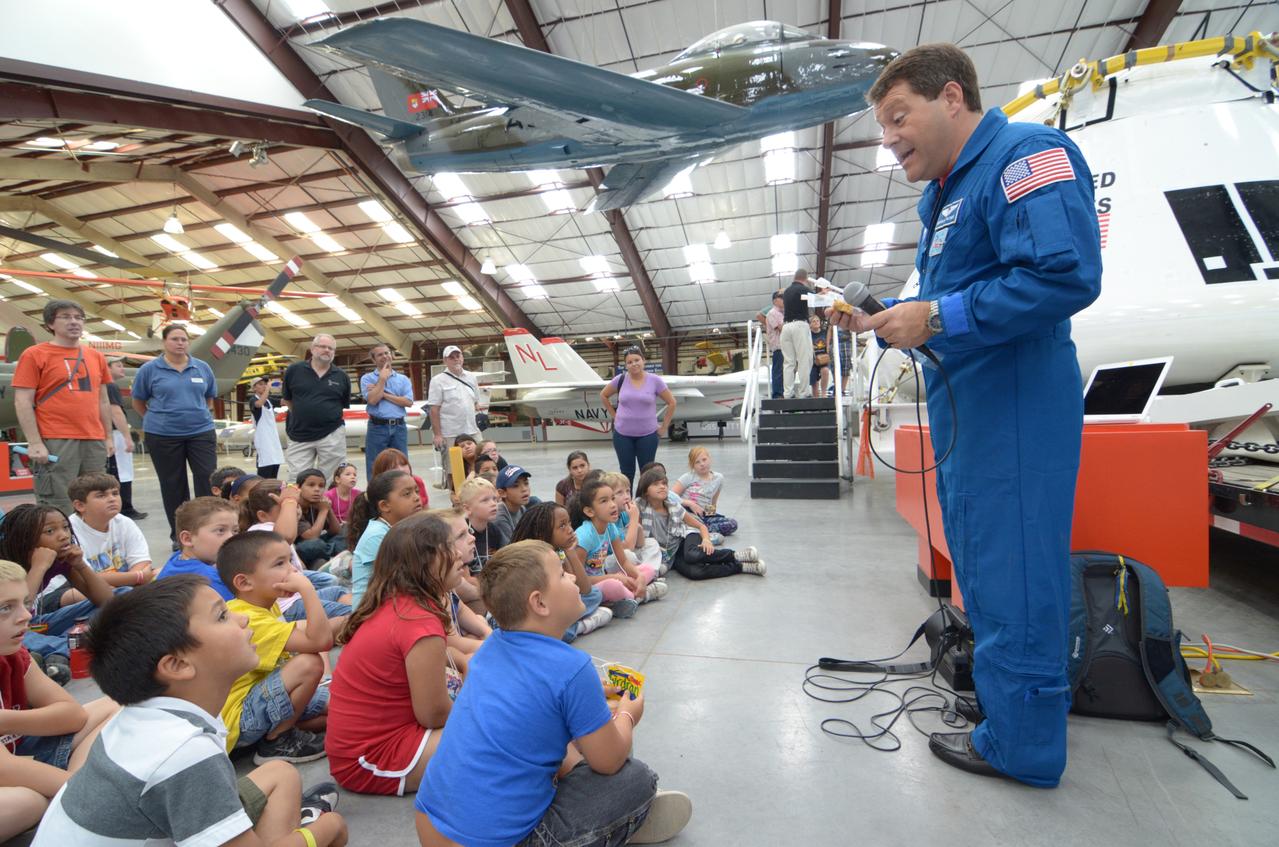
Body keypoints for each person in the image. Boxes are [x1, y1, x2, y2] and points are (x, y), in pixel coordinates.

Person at [829, 44, 1102, 787]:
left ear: (950, 97)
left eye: (896, 117)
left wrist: (938, 318)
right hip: (968, 409)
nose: (886, 138)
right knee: (982, 568)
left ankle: (1023, 745)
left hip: (1012, 404)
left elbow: (1063, 274)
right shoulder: (947, 193)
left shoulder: (1026, 154)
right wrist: (889, 320)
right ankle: (1006, 713)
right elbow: (950, 303)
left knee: (1013, 574)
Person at [31, 575, 348, 846]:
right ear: (178, 665)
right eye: (222, 616)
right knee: (326, 828)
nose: (243, 618)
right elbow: (189, 770)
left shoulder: (146, 714)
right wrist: (326, 830)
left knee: (281, 774)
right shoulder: (185, 752)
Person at [414, 540, 692, 847]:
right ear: (540, 603)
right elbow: (610, 760)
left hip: (431, 824)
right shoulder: (572, 667)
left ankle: (619, 818)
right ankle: (624, 821)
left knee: (560, 739)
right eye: (562, 574)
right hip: (503, 841)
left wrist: (591, 695)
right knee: (636, 778)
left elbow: (531, 699)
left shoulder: (491, 648)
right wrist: (627, 714)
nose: (573, 577)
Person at [325, 513, 466, 796]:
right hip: (370, 757)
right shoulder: (418, 621)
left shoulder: (400, 603)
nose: (459, 553)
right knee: (504, 732)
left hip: (366, 746)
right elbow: (433, 714)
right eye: (450, 546)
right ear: (426, 562)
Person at [0, 559, 119, 842]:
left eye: (25, 603)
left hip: (15, 754)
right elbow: (4, 769)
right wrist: (87, 793)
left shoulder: (13, 655)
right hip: (9, 772)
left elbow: (72, 714)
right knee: (27, 802)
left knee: (117, 705)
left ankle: (72, 791)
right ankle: (78, 792)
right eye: (5, 608)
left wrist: (5, 720)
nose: (25, 616)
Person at [217, 530, 332, 764]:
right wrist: (307, 589)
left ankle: (282, 730)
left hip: (262, 698)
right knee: (309, 664)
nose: (293, 570)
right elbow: (320, 641)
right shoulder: (248, 618)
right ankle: (276, 741)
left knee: (340, 706)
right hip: (241, 718)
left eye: (290, 560)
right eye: (280, 564)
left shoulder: (266, 605)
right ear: (244, 582)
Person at [12, 300, 114, 516]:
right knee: (59, 504)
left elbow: (103, 400)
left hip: (93, 439)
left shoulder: (95, 356)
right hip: (56, 438)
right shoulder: (34, 354)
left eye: (78, 317)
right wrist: (35, 442)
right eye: (66, 317)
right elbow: (22, 401)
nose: (74, 322)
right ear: (50, 323)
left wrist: (108, 437)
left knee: (97, 501)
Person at [130, 323, 218, 543]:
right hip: (163, 435)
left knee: (207, 480)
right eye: (175, 339)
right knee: (173, 485)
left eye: (184, 339)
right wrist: (158, 420)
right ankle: (181, 537)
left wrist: (198, 414)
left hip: (201, 432)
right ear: (164, 342)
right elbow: (138, 402)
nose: (180, 343)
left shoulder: (202, 367)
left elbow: (209, 398)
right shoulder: (149, 370)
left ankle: (210, 532)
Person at [0, 504, 114, 661]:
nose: (63, 536)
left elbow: (107, 601)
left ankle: (58, 650)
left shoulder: (61, 559)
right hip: (8, 628)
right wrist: (38, 567)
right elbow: (19, 608)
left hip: (34, 623)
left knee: (123, 595)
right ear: (25, 538)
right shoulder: (6, 565)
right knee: (26, 640)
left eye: (65, 527)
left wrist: (80, 565)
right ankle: (62, 651)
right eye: (50, 531)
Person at [635, 468, 764, 580]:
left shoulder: (674, 507)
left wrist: (707, 540)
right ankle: (740, 566)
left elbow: (700, 526)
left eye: (664, 483)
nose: (662, 486)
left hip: (687, 535)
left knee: (692, 555)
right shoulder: (640, 506)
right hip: (671, 552)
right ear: (645, 490)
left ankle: (735, 555)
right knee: (694, 572)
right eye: (656, 484)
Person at [510, 503, 612, 642]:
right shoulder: (532, 560)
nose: (570, 530)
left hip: (552, 610)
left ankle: (566, 624)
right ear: (542, 534)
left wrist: (570, 552)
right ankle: (580, 626)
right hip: (533, 612)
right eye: (562, 526)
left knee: (594, 594)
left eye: (569, 523)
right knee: (564, 631)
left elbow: (584, 589)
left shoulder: (559, 551)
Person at [573, 479, 665, 614]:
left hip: (605, 577)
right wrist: (614, 578)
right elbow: (579, 580)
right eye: (604, 501)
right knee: (613, 585)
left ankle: (628, 597)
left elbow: (623, 561)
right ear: (589, 511)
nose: (612, 505)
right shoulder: (584, 537)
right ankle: (643, 595)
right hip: (589, 587)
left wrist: (638, 576)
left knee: (647, 569)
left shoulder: (610, 527)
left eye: (612, 498)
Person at [63, 472, 153, 604]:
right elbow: (86, 579)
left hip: (124, 583)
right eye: (101, 495)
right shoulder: (69, 531)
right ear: (80, 505)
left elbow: (142, 562)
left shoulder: (124, 522)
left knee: (165, 573)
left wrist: (135, 579)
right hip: (78, 588)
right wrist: (138, 577)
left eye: (115, 493)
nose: (112, 499)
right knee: (91, 594)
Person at [600, 347, 677, 486]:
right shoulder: (620, 379)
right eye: (629, 362)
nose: (634, 364)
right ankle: (627, 505)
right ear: (625, 365)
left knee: (647, 474)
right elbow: (603, 395)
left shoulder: (655, 380)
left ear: (643, 361)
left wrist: (664, 427)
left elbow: (671, 402)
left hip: (647, 435)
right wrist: (614, 415)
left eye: (637, 360)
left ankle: (644, 504)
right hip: (623, 434)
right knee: (626, 473)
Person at [347, 470, 423, 608]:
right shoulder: (377, 536)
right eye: (407, 494)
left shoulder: (404, 528)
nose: (417, 497)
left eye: (416, 491)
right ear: (384, 505)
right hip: (370, 614)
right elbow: (411, 583)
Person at [282, 335, 351, 480]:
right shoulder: (294, 370)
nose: (327, 350)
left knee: (333, 477)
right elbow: (287, 400)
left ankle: (328, 503)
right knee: (297, 477)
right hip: (299, 434)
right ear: (313, 349)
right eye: (323, 347)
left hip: (332, 434)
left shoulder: (341, 376)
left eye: (331, 348)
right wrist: (304, 415)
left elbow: (342, 404)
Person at [156, 496, 240, 598]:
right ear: (187, 539)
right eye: (220, 530)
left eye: (235, 531)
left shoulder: (177, 559)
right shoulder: (209, 580)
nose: (231, 537)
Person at [361, 343, 415, 481]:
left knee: (401, 464)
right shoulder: (367, 378)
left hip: (399, 427)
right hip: (377, 427)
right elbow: (373, 400)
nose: (385, 356)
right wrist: (382, 379)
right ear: (373, 360)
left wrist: (383, 393)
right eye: (380, 355)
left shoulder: (403, 379)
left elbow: (408, 402)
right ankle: (375, 497)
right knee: (375, 464)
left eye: (387, 353)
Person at [104, 357, 146, 520]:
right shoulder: (110, 385)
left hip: (106, 433)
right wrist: (127, 437)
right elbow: (116, 412)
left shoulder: (102, 386)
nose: (123, 368)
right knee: (123, 472)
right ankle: (125, 508)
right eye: (118, 365)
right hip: (115, 433)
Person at [427, 345, 482, 458]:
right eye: (451, 357)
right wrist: (438, 435)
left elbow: (476, 402)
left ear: (462, 357)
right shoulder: (437, 381)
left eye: (458, 356)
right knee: (452, 470)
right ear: (445, 361)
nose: (456, 359)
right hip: (450, 433)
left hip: (472, 430)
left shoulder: (472, 377)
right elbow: (434, 410)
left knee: (479, 461)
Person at [672, 447, 738, 538]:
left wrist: (711, 516)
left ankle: (700, 531)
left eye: (704, 460)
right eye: (697, 462)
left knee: (732, 523)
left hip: (704, 515)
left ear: (709, 459)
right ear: (692, 465)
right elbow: (670, 496)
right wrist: (690, 504)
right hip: (688, 514)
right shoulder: (688, 477)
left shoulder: (718, 478)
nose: (702, 464)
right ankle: (698, 530)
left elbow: (713, 501)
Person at [780, 269, 814, 398]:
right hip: (800, 326)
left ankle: (787, 392)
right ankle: (803, 392)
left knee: (789, 362)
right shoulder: (803, 289)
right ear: (805, 279)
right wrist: (823, 291)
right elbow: (816, 298)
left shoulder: (787, 291)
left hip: (786, 326)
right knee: (805, 359)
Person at [250, 376, 285, 480]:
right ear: (254, 388)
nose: (264, 386)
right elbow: (259, 404)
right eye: (260, 384)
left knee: (274, 469)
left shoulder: (269, 400)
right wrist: (268, 389)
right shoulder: (253, 400)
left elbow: (283, 401)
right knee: (264, 473)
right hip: (263, 441)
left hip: (273, 440)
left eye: (265, 384)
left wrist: (285, 387)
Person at [754, 290, 786, 399]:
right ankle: (778, 394)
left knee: (785, 370)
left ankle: (783, 392)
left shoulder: (782, 313)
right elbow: (782, 328)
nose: (784, 299)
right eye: (781, 297)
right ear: (775, 300)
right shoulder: (772, 313)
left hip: (784, 346)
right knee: (778, 370)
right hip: (779, 345)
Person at [492, 464, 532, 545]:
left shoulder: (521, 508)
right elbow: (512, 549)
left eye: (526, 483)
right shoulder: (499, 517)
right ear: (502, 493)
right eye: (515, 486)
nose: (524, 489)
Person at [325, 462, 360, 527]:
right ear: (337, 479)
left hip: (352, 527)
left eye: (354, 475)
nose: (353, 477)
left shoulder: (358, 494)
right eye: (348, 474)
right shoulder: (328, 496)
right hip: (333, 529)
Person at [808, 312, 831, 396]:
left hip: (823, 358)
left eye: (817, 320)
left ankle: (824, 393)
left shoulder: (824, 333)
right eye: (814, 321)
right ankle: (816, 399)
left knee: (825, 371)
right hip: (813, 359)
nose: (816, 322)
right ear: (810, 324)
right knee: (814, 383)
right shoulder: (808, 334)